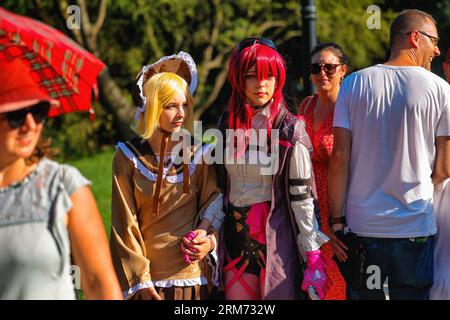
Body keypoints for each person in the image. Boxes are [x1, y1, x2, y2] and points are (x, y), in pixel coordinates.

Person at [328, 9, 450, 300]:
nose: (437, 50)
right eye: (433, 41)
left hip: (361, 228)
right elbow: (444, 168)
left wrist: (336, 222)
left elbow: (339, 158)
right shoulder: (441, 90)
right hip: (414, 227)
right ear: (414, 37)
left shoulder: (353, 84)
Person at [215, 37, 332, 300]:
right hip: (234, 245)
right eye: (252, 76)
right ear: (238, 79)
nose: (261, 84)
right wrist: (206, 228)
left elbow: (301, 198)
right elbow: (219, 188)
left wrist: (312, 254)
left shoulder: (290, 129)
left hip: (276, 245)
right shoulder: (226, 124)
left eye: (269, 76)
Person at [0, 58, 122, 300]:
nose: (30, 125)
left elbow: (99, 284)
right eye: (16, 115)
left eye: (38, 112)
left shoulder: (63, 185)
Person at [110, 52, 224, 300]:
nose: (181, 113)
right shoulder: (127, 157)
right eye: (171, 106)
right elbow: (124, 224)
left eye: (184, 104)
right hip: (150, 285)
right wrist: (141, 282)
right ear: (152, 106)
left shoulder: (199, 153)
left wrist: (208, 239)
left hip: (195, 280)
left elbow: (215, 202)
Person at [297, 42, 348, 300]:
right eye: (316, 67)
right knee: (314, 285)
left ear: (343, 71)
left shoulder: (350, 108)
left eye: (329, 67)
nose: (322, 73)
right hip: (309, 209)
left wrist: (342, 221)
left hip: (338, 209)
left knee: (337, 284)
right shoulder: (305, 105)